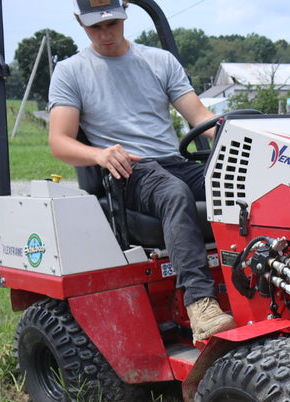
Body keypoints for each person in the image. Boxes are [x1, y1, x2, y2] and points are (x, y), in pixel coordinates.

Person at [48, 0, 237, 342]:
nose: (106, 34)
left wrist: (240, 135)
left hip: (173, 162)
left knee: (242, 184)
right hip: (128, 170)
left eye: (112, 24)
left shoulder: (159, 60)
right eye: (95, 27)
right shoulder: (71, 71)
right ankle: (201, 306)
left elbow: (198, 117)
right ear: (79, 21)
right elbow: (59, 141)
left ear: (124, 14)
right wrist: (100, 154)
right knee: (173, 194)